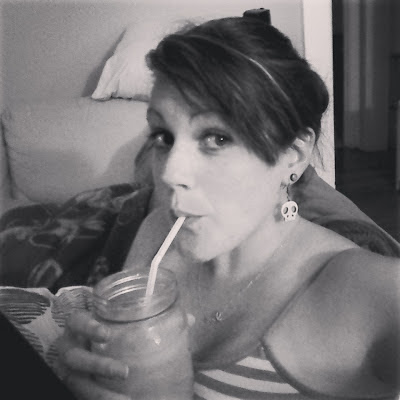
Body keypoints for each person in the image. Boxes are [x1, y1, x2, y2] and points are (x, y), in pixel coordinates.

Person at [1, 15, 399, 400]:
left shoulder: (370, 292)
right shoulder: (156, 233)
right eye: (163, 135)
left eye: (217, 138)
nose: (169, 172)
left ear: (292, 156)